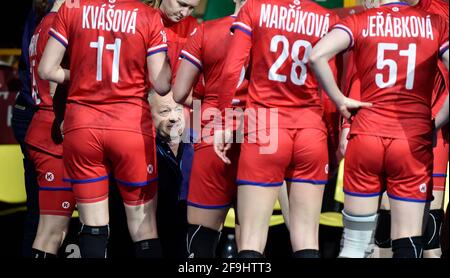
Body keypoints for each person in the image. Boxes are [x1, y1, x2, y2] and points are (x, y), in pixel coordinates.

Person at [309, 0, 449, 258]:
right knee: (404, 235)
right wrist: (435, 121)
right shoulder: (432, 23)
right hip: (414, 135)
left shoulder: (363, 19)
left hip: (374, 132)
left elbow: (317, 56)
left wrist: (341, 104)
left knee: (360, 242)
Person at [38, 0, 171, 258]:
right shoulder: (148, 15)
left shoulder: (72, 8)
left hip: (83, 126)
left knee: (94, 228)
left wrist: (78, 76)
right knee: (144, 230)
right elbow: (161, 84)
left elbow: (46, 70)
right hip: (129, 127)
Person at [214, 0, 339, 258]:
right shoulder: (326, 18)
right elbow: (330, 90)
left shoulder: (254, 8)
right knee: (306, 237)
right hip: (309, 128)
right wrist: (333, 141)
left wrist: (224, 122)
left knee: (251, 236)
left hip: (265, 125)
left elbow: (230, 71)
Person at [172, 0, 247, 258]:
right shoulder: (271, 34)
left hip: (213, 129)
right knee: (252, 237)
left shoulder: (207, 30)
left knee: (202, 236)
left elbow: (179, 92)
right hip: (259, 129)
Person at [24, 0, 75, 258]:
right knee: (52, 233)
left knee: (53, 230)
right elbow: (54, 82)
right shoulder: (58, 23)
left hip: (43, 129)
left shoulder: (43, 23)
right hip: (54, 135)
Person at [11, 0, 54, 258]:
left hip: (33, 114)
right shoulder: (53, 16)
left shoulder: (45, 13)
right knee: (44, 216)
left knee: (41, 215)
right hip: (40, 115)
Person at [148, 91, 194, 258]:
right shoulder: (140, 150)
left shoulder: (200, 146)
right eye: (165, 111)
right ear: (149, 114)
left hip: (192, 243)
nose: (174, 117)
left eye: (178, 109)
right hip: (154, 241)